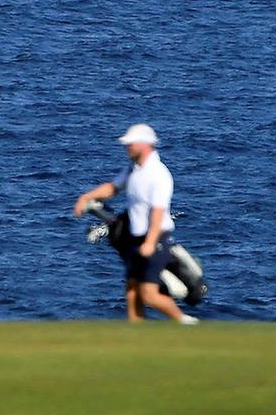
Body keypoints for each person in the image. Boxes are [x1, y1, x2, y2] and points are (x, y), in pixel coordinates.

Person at [72, 123, 198, 324]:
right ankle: (136, 329)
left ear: (145, 145)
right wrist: (85, 197)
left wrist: (150, 242)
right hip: (135, 239)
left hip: (155, 239)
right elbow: (113, 188)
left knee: (148, 293)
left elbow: (158, 212)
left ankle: (185, 322)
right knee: (132, 288)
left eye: (131, 144)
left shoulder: (158, 175)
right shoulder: (134, 170)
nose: (127, 147)